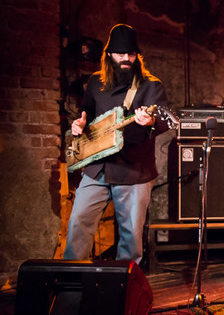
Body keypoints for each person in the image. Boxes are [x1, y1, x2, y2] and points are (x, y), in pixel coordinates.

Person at [64, 23, 169, 264]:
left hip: (133, 170)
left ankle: (123, 292)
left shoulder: (151, 85)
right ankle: (70, 287)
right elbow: (87, 111)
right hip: (97, 167)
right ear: (109, 54)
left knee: (130, 239)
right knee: (78, 223)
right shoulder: (95, 82)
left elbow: (161, 120)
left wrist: (149, 121)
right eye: (120, 53)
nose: (126, 58)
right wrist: (80, 123)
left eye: (131, 54)